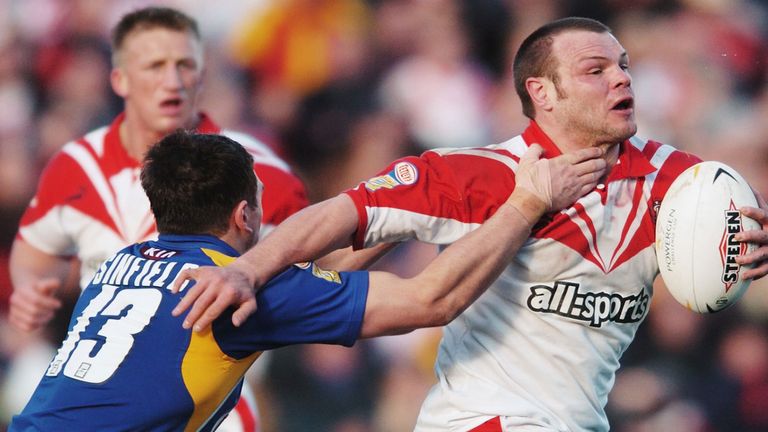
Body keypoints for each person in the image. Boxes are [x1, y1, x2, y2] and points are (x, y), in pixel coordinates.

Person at [173, 17, 768, 431]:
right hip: (485, 422)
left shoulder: (683, 183)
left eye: (624, 65)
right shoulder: (479, 174)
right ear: (544, 92)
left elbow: (739, 232)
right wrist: (248, 269)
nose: (621, 78)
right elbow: (343, 212)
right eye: (595, 70)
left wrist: (755, 246)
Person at [9, 130, 605, 431]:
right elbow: (432, 299)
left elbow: (311, 282)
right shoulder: (231, 291)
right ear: (246, 215)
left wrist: (405, 216)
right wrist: (526, 203)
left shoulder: (123, 263)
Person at [7, 7, 308, 431]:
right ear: (120, 80)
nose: (173, 80)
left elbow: (319, 265)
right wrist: (29, 289)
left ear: (202, 76)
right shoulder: (75, 166)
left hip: (214, 406)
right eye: (155, 65)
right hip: (99, 400)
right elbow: (35, 254)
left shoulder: (259, 172)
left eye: (185, 64)